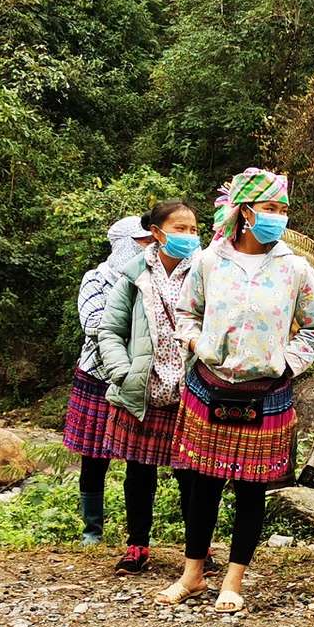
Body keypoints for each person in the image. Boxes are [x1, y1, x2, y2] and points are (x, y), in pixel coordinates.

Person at [159, 168, 314, 613]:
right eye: (271, 208)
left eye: (283, 210)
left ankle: (233, 580)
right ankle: (192, 574)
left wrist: (286, 363)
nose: (279, 217)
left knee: (251, 489)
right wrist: (199, 343)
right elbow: (186, 312)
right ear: (246, 213)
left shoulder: (295, 269)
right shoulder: (210, 261)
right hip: (210, 385)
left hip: (266, 391)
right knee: (203, 485)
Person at [94, 201, 200, 575]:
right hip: (143, 389)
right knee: (139, 472)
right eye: (180, 228)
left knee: (193, 474)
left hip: (190, 391)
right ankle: (137, 545)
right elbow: (109, 330)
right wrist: (122, 372)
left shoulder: (205, 272)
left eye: (193, 229)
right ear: (157, 232)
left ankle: (196, 550)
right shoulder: (134, 274)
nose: (189, 236)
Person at [66, 216, 152, 546]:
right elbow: (95, 324)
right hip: (99, 378)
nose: (147, 247)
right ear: (123, 244)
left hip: (139, 379)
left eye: (150, 241)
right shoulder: (97, 280)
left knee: (139, 458)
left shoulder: (154, 280)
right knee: (94, 458)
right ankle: (92, 530)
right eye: (141, 241)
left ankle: (138, 535)